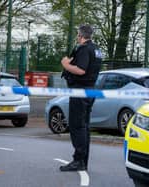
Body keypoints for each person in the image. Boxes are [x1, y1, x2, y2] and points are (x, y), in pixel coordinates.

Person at [60, 25, 102, 171]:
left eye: (78, 35)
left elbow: (81, 70)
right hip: (90, 91)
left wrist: (65, 65)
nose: (77, 37)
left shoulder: (84, 49)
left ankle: (78, 160)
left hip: (80, 91)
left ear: (81, 35)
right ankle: (83, 161)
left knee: (77, 126)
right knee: (84, 127)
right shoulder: (96, 50)